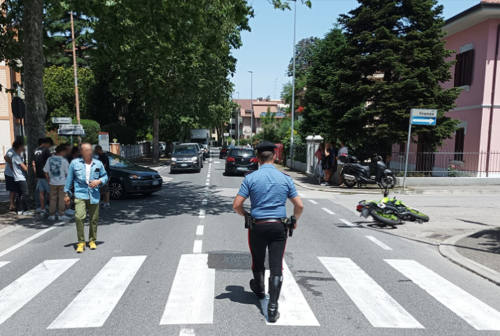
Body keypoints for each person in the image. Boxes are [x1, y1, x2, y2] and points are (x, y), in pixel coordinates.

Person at [232, 141, 304, 323]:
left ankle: (259, 288)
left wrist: (246, 215)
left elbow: (236, 205)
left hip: (257, 225)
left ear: (257, 158)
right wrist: (293, 220)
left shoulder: (251, 178)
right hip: (278, 226)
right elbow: (299, 205)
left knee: (257, 260)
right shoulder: (285, 178)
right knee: (276, 265)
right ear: (275, 156)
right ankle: (272, 307)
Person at [64, 143, 108, 253]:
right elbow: (69, 179)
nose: (89, 152)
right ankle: (81, 242)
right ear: (81, 152)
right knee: (79, 217)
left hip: (94, 195)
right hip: (80, 194)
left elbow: (105, 176)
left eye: (90, 150)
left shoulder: (98, 163)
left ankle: (92, 240)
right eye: (87, 150)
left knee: (94, 219)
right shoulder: (74, 163)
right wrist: (66, 194)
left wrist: (99, 181)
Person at [44, 144, 70, 221]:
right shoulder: (64, 161)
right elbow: (68, 173)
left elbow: (45, 171)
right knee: (61, 199)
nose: (65, 153)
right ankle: (61, 214)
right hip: (62, 182)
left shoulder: (49, 159)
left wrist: (48, 180)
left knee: (52, 199)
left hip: (52, 182)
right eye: (65, 152)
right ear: (62, 151)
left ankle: (51, 215)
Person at [32, 137, 53, 214]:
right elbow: (50, 163)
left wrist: (36, 174)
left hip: (39, 174)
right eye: (50, 145)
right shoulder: (46, 150)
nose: (49, 147)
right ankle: (52, 208)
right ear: (47, 143)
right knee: (50, 192)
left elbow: (33, 163)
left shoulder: (35, 150)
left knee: (41, 192)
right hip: (46, 174)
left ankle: (42, 208)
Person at [11, 141, 31, 215]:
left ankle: (19, 210)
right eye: (22, 146)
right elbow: (24, 167)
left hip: (17, 177)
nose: (23, 147)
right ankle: (25, 210)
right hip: (20, 178)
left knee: (19, 194)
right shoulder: (16, 156)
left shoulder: (16, 156)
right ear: (19, 147)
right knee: (25, 194)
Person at [3, 138, 23, 212]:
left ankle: (14, 204)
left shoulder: (18, 151)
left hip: (16, 174)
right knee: (13, 190)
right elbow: (5, 157)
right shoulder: (11, 151)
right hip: (10, 174)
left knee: (16, 190)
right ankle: (11, 205)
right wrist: (11, 163)